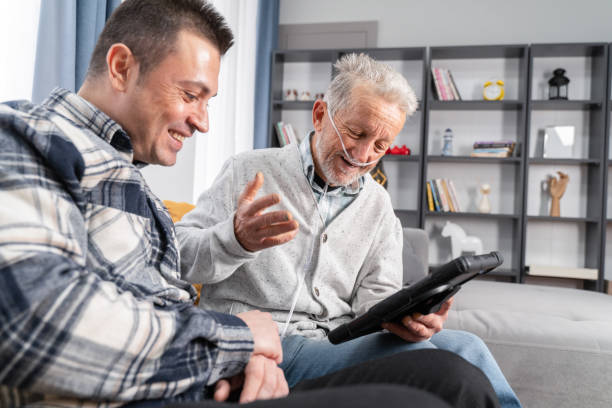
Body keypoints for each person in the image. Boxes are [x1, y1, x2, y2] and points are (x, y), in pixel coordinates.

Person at [0, 1, 501, 407]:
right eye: (192, 94)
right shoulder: (33, 139)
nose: (203, 123)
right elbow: (38, 322)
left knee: (459, 358)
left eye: (381, 145)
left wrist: (399, 315)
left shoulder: (134, 182)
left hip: (256, 360)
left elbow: (166, 293)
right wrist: (237, 313)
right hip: (239, 356)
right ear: (121, 66)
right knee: (444, 378)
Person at [176, 53, 522, 408]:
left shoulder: (378, 204)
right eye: (356, 133)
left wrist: (405, 317)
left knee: (469, 347)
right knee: (429, 361)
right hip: (265, 343)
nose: (362, 154)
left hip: (337, 340)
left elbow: (377, 296)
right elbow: (179, 256)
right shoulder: (247, 170)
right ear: (321, 114)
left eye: (380, 145)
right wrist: (235, 239)